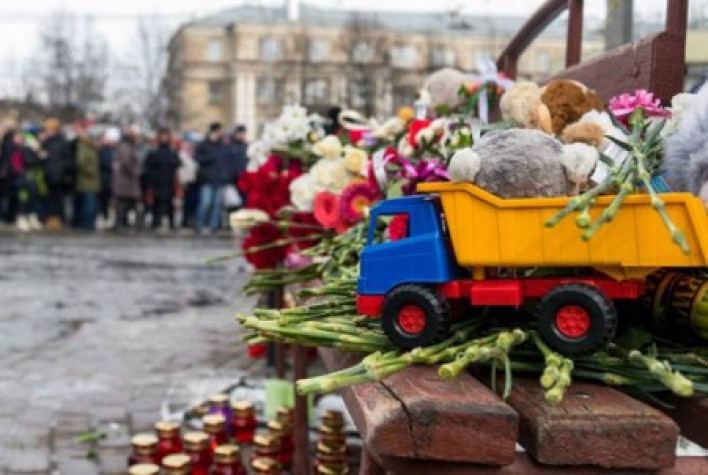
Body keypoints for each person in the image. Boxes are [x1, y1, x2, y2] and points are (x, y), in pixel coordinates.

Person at [195, 122, 230, 234]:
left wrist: (225, 175)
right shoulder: (204, 144)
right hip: (207, 179)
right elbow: (198, 158)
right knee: (205, 203)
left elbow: (225, 162)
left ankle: (213, 225)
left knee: (216, 205)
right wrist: (211, 155)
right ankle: (200, 224)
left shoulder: (223, 146)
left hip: (219, 179)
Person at [144, 128, 180, 230]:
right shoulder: (154, 151)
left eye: (166, 136)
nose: (164, 138)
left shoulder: (172, 151)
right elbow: (148, 165)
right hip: (157, 181)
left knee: (169, 203)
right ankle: (156, 221)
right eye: (162, 136)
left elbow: (176, 163)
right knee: (156, 202)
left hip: (169, 181)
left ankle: (171, 222)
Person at [6, 132, 41, 232]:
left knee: (30, 197)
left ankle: (29, 216)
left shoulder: (25, 149)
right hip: (16, 178)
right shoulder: (11, 149)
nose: (18, 140)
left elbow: (31, 161)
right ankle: (20, 217)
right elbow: (10, 163)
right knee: (21, 199)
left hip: (25, 176)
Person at [40, 118, 70, 230]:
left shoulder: (60, 142)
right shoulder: (49, 141)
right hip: (50, 173)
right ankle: (52, 219)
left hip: (57, 174)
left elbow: (66, 159)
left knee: (57, 198)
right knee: (51, 198)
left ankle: (56, 220)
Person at [112, 125, 141, 230]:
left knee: (123, 204)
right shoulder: (126, 147)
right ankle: (121, 224)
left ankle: (122, 223)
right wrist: (135, 171)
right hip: (125, 181)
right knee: (123, 203)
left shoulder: (125, 146)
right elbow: (126, 163)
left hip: (125, 181)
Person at [74, 125, 101, 230]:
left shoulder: (92, 148)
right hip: (87, 181)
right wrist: (91, 172)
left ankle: (89, 224)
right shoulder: (84, 148)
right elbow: (81, 163)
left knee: (90, 204)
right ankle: (87, 225)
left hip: (92, 181)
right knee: (88, 205)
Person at [98, 127, 120, 229]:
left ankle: (108, 219)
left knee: (109, 202)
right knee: (104, 201)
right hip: (105, 180)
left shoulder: (113, 151)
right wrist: (112, 165)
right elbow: (103, 163)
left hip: (111, 181)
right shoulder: (103, 150)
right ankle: (104, 218)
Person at [227, 124, 249, 208]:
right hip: (233, 178)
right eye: (240, 133)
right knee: (233, 201)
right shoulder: (230, 146)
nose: (242, 135)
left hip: (244, 177)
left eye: (243, 133)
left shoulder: (246, 146)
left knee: (244, 199)